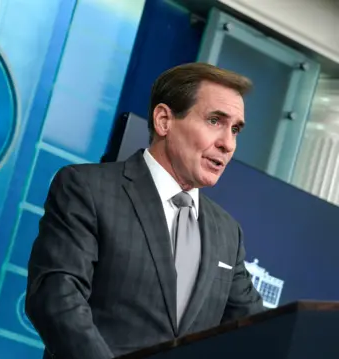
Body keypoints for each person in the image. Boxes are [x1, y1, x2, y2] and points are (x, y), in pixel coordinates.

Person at [25, 62, 265, 359]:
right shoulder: (87, 188)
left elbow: (257, 332)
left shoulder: (228, 232)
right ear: (164, 120)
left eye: (236, 129)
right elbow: (56, 297)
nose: (228, 143)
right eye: (215, 121)